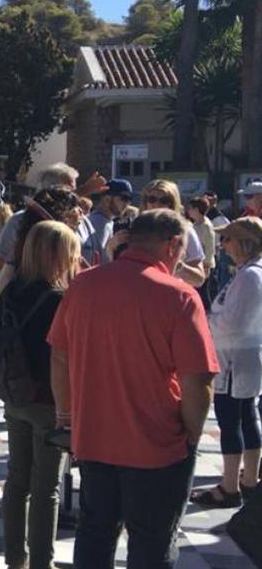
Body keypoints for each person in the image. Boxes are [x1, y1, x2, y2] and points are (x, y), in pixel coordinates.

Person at [47, 210, 218, 569]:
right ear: (172, 245)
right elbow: (198, 379)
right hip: (156, 444)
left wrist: (67, 416)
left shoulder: (83, 285)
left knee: (94, 532)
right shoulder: (179, 296)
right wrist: (190, 434)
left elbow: (59, 355)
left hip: (93, 438)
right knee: (152, 541)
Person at [0, 221, 81, 569]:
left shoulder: (12, 290)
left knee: (17, 481)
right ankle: (41, 564)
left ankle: (15, 559)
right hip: (49, 401)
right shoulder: (60, 299)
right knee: (46, 489)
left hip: (16, 395)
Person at [188, 217, 262, 508]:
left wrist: (206, 322)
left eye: (229, 239)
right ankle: (248, 480)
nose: (224, 245)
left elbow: (234, 323)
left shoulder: (250, 277)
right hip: (242, 356)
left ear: (245, 242)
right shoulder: (249, 273)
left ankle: (232, 485)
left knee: (233, 420)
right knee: (245, 417)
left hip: (235, 358)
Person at [112, 180, 206, 288]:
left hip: (168, 293)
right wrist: (112, 246)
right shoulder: (133, 227)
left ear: (172, 203)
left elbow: (199, 279)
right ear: (145, 202)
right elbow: (113, 264)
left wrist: (177, 265)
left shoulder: (185, 230)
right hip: (135, 292)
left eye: (164, 200)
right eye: (152, 199)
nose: (157, 204)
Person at [84, 179, 132, 266]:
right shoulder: (100, 222)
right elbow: (98, 262)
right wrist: (111, 246)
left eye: (129, 199)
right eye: (124, 198)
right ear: (107, 199)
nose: (127, 203)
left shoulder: (104, 221)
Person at [186, 196, 218, 306]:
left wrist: (206, 266)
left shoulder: (206, 226)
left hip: (204, 265)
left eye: (190, 208)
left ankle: (207, 312)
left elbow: (210, 247)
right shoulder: (195, 224)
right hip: (196, 263)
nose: (188, 211)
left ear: (197, 210)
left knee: (203, 293)